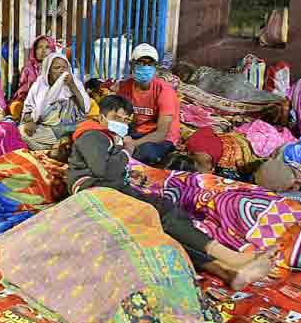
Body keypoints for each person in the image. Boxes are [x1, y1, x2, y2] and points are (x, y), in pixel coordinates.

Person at [66, 94, 275, 289]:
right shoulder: (93, 134)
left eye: (125, 120)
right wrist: (123, 152)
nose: (120, 123)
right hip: (94, 192)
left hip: (108, 190)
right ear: (102, 116)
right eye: (115, 117)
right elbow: (102, 169)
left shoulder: (107, 138)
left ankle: (227, 272)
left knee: (163, 232)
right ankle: (233, 258)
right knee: (164, 211)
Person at [116, 43, 180, 165]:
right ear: (131, 65)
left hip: (161, 137)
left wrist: (133, 144)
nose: (145, 67)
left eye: (149, 64)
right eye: (140, 63)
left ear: (155, 67)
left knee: (144, 154)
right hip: (136, 132)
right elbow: (120, 118)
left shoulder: (164, 91)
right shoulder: (124, 87)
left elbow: (162, 133)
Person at [20, 52, 90, 151]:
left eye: (64, 67)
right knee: (22, 132)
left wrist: (72, 86)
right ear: (48, 71)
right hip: (46, 128)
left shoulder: (75, 83)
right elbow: (27, 111)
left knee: (87, 130)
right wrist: (30, 122)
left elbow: (85, 108)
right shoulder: (39, 86)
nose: (62, 71)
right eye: (57, 68)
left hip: (71, 126)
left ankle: (58, 145)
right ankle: (59, 145)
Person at [9, 34, 58, 118]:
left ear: (52, 50)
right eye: (39, 47)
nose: (43, 51)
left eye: (47, 47)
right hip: (29, 101)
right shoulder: (28, 68)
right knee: (15, 106)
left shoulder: (58, 66)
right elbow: (22, 89)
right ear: (34, 51)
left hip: (52, 102)